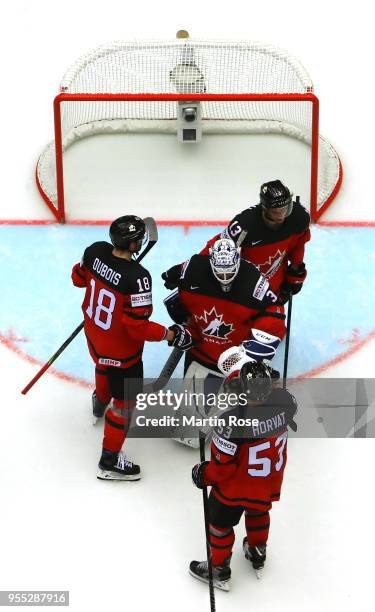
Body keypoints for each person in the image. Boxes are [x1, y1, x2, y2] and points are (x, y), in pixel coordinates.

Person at [71, 215, 192, 481]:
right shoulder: (138, 278)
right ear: (135, 245)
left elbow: (78, 279)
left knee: (102, 365)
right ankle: (109, 461)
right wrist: (170, 334)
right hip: (121, 351)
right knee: (125, 404)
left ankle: (99, 403)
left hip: (94, 335)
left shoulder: (95, 251)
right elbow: (137, 327)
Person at [162, 237, 284, 447]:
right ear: (211, 263)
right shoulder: (194, 267)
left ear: (238, 262)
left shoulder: (254, 280)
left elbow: (275, 311)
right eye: (220, 272)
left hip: (235, 356)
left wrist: (255, 352)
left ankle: (259, 371)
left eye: (229, 272)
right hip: (200, 350)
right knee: (187, 435)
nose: (225, 277)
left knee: (239, 427)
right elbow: (175, 275)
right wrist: (181, 318)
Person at [189, 358, 297, 591]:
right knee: (258, 511)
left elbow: (223, 469)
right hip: (267, 483)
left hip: (235, 487)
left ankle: (218, 569)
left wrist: (203, 473)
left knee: (218, 525)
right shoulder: (285, 403)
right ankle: (258, 551)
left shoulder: (231, 423)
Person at [201, 179, 310, 303]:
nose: (281, 216)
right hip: (243, 288)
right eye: (275, 212)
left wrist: (296, 271)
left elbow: (298, 244)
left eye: (285, 210)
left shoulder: (299, 217)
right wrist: (188, 269)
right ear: (264, 208)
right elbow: (218, 249)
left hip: (274, 289)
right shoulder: (244, 225)